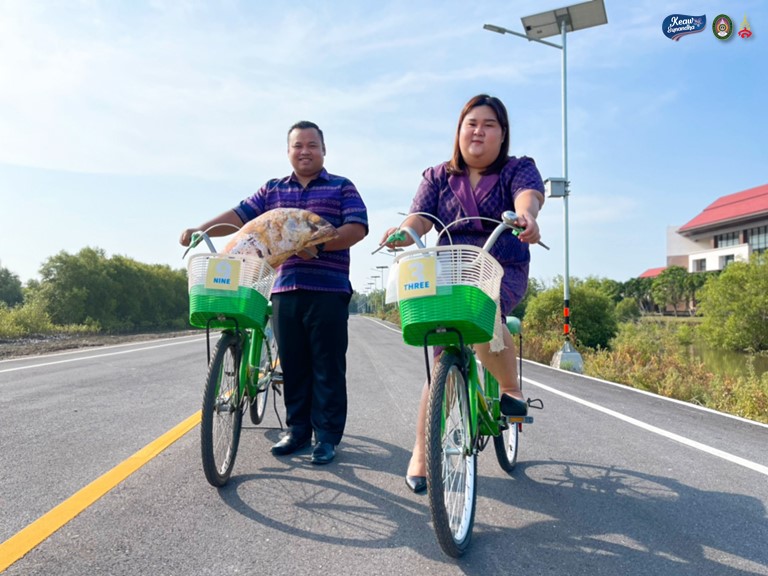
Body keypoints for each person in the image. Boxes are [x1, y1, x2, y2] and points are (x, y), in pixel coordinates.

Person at [379, 94, 545, 492]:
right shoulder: (438, 176)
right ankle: (422, 453)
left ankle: (509, 389)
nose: (478, 131)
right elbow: (419, 217)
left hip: (500, 265)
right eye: (471, 123)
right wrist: (406, 232)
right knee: (440, 362)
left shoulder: (516, 169)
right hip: (450, 269)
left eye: (489, 124)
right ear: (459, 131)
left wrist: (526, 216)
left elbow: (528, 197)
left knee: (483, 312)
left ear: (502, 133)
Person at [181, 121, 368, 465]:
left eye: (312, 145)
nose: (305, 151)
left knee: (327, 365)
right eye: (298, 145)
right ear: (288, 151)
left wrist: (318, 245)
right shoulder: (272, 190)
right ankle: (297, 431)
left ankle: (327, 437)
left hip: (328, 289)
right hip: (284, 289)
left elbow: (356, 227)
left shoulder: (342, 187)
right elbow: (241, 215)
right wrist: (202, 229)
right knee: (293, 364)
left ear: (323, 150)